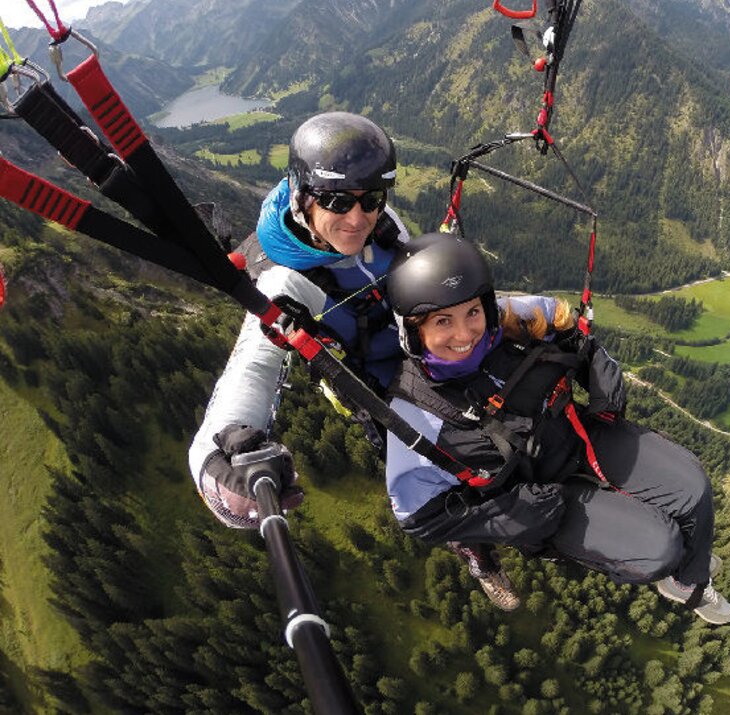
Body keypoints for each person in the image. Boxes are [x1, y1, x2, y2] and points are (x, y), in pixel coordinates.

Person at [186, 113, 520, 609]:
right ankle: (477, 551)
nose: (357, 218)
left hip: (431, 348)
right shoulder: (284, 283)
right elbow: (253, 366)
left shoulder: (382, 227)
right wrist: (216, 456)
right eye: (337, 202)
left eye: (369, 200)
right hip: (377, 393)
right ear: (302, 195)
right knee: (439, 477)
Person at [383, 234, 730, 624]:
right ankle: (679, 569)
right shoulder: (417, 415)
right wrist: (510, 515)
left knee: (693, 488)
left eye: (472, 313)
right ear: (413, 331)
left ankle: (688, 579)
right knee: (660, 548)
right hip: (542, 499)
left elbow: (574, 332)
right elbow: (419, 517)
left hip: (577, 436)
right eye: (442, 321)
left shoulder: (515, 321)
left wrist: (600, 370)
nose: (465, 334)